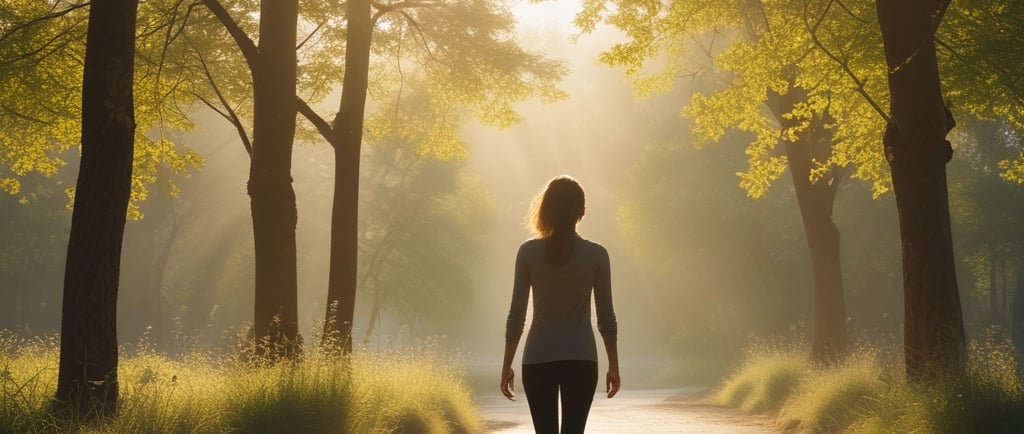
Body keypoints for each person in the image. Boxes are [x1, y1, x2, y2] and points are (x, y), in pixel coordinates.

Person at [500, 175, 620, 434]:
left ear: (546, 209)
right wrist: (614, 365)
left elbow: (516, 316)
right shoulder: (597, 255)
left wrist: (506, 364)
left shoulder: (528, 252)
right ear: (582, 212)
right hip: (581, 358)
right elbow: (606, 318)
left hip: (538, 359)